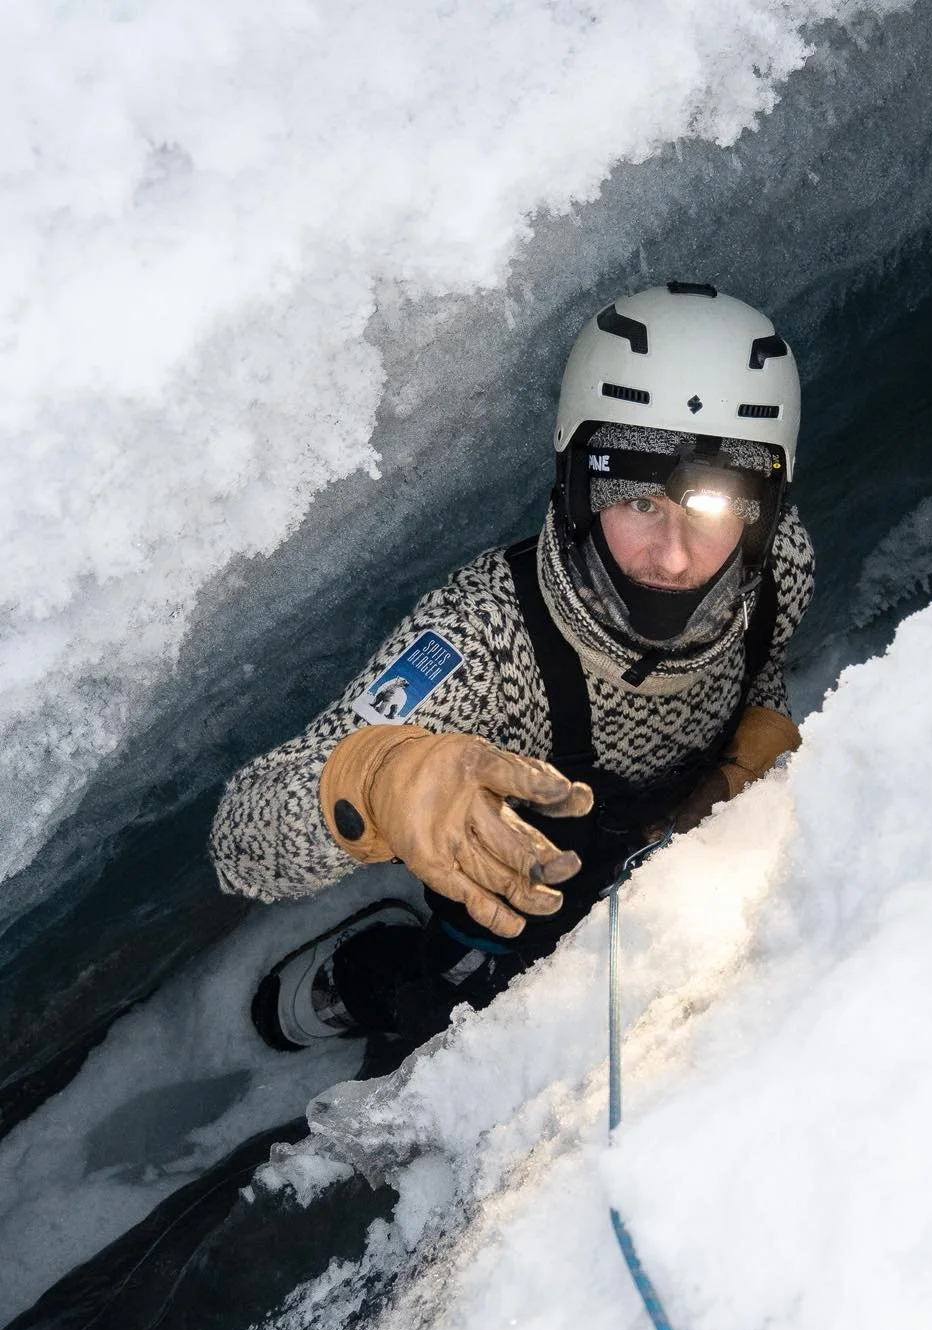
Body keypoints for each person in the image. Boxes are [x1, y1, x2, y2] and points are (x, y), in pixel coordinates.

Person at [210, 282, 815, 1074]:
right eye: (635, 496)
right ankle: (381, 972)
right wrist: (376, 778)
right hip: (503, 890)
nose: (672, 556)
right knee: (452, 1004)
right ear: (578, 485)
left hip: (659, 855)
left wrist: (746, 753)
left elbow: (759, 662)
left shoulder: (781, 569)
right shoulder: (484, 641)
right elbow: (241, 843)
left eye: (712, 507)